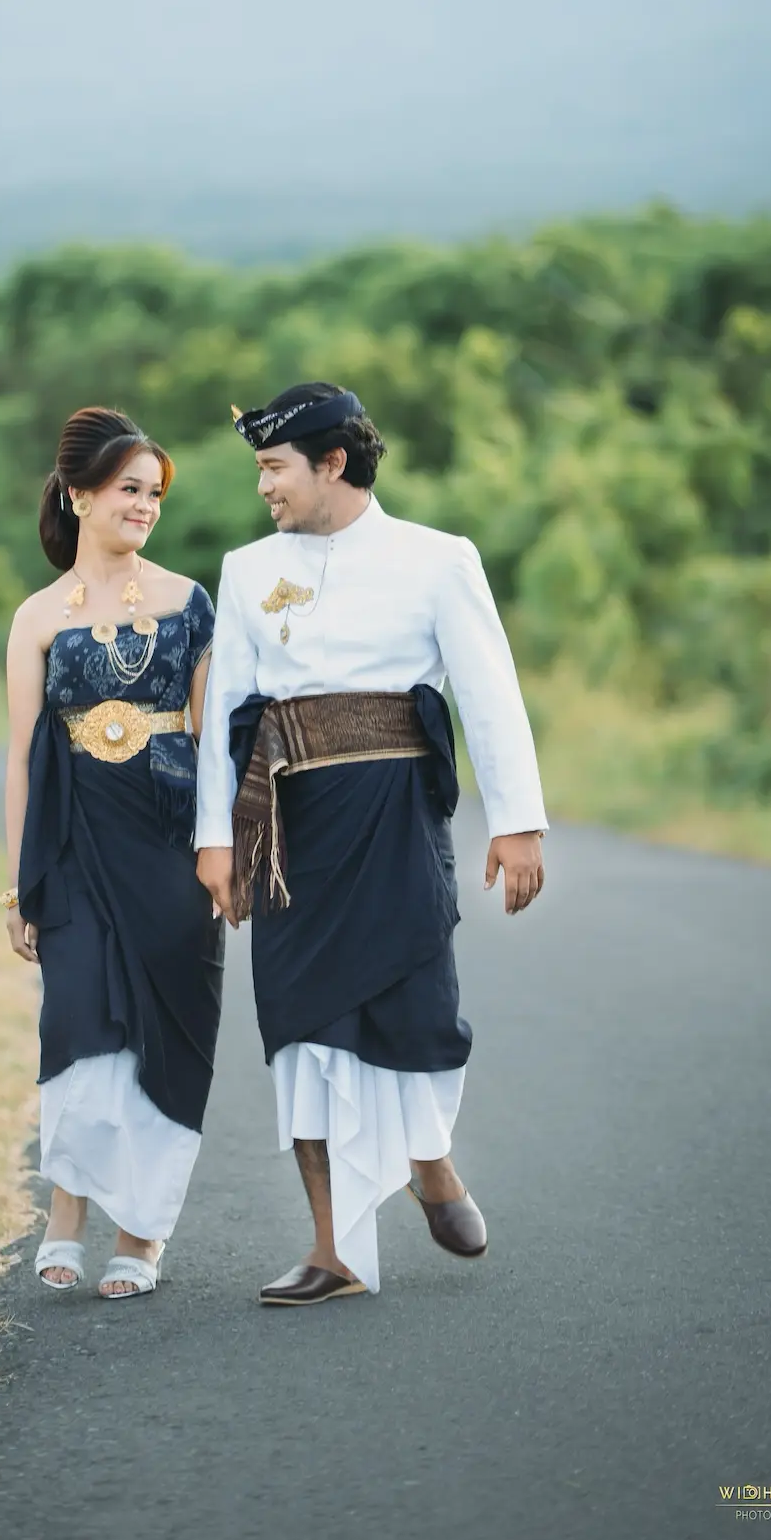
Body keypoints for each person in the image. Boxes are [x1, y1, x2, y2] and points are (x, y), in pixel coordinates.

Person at [194, 382, 547, 1306]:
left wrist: (516, 822)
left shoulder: (437, 558)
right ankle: (335, 1251)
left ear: (333, 463)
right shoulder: (246, 569)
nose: (264, 487)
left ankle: (429, 1160)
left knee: (414, 1009)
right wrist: (215, 839)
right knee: (298, 1026)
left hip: (397, 814)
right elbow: (228, 707)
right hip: (287, 826)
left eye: (275, 468)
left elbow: (489, 691)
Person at [3, 407, 224, 1299]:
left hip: (171, 844)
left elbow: (215, 743)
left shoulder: (190, 601)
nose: (145, 506)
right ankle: (65, 1218)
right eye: (130, 489)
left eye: (155, 493)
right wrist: (17, 888)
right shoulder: (36, 616)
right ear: (79, 494)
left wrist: (223, 852)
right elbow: (21, 757)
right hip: (74, 845)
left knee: (168, 1034)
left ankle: (143, 1235)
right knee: (79, 1023)